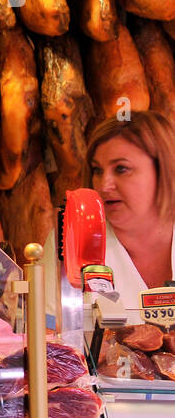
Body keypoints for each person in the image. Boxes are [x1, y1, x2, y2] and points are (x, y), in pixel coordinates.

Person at [85, 111, 175, 304]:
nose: (104, 185)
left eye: (121, 169)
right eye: (97, 170)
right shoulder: (75, 238)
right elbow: (48, 328)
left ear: (163, 170)